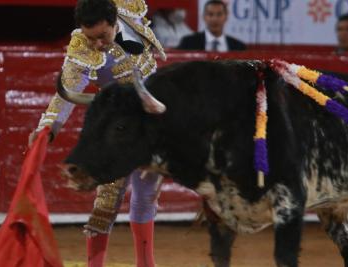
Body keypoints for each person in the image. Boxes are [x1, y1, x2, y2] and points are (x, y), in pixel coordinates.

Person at [27, 0, 166, 266]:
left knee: (146, 192)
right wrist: (47, 128)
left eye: (103, 36)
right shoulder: (82, 49)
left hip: (151, 122)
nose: (98, 44)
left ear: (116, 21)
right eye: (91, 38)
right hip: (115, 127)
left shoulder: (128, 9)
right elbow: (65, 95)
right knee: (107, 198)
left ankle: (146, 264)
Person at [177, 0, 246, 52]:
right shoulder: (188, 43)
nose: (214, 19)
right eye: (210, 14)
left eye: (219, 14)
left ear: (226, 17)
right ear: (203, 17)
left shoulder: (239, 47)